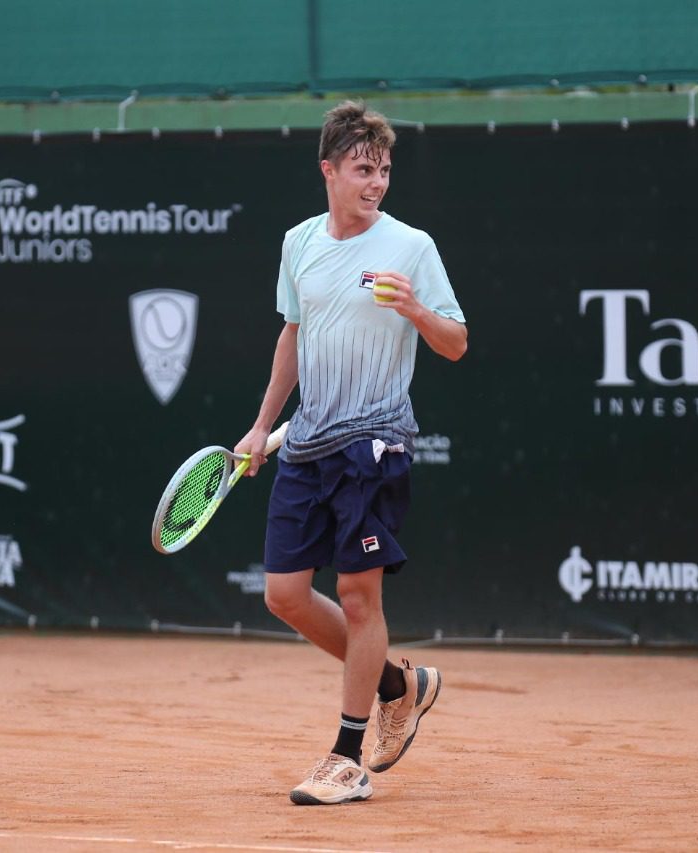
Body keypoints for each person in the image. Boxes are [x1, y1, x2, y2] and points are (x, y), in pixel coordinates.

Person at [234, 100, 467, 805]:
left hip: (376, 441)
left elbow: (456, 341)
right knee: (284, 596)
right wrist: (259, 427)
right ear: (329, 171)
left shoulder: (411, 247)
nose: (377, 183)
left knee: (359, 594)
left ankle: (346, 756)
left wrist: (415, 311)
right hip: (306, 447)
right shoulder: (298, 243)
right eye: (364, 169)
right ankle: (400, 684)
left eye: (386, 170)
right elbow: (292, 337)